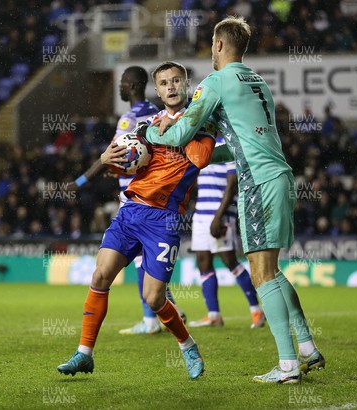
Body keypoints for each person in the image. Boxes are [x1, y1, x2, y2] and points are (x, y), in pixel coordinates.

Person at [139, 16, 324, 384]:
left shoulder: (215, 83)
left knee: (261, 275)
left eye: (211, 43)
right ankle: (305, 347)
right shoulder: (258, 83)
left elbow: (179, 133)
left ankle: (288, 367)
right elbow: (240, 147)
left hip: (258, 183)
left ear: (220, 45)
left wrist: (148, 133)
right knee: (271, 270)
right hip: (279, 176)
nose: (210, 50)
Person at [57, 61, 216, 380]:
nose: (171, 87)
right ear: (156, 90)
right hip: (130, 211)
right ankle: (84, 354)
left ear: (184, 86)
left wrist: (178, 132)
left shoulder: (201, 121)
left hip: (165, 219)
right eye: (164, 83)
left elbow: (200, 159)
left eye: (176, 81)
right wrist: (107, 160)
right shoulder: (150, 125)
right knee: (101, 275)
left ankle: (188, 346)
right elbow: (126, 163)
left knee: (154, 297)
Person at [73, 66, 185, 335]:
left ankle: (150, 319)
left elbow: (113, 156)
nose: (121, 88)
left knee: (139, 262)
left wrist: (79, 182)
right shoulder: (156, 113)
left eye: (123, 84)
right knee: (148, 261)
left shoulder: (130, 118)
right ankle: (166, 307)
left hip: (135, 197)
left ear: (133, 85)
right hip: (160, 196)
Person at [188, 139, 265, 328]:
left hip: (219, 215)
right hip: (201, 213)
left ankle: (257, 311)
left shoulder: (228, 144)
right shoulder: (203, 143)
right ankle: (214, 315)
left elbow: (232, 186)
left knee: (229, 261)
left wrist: (219, 217)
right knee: (203, 261)